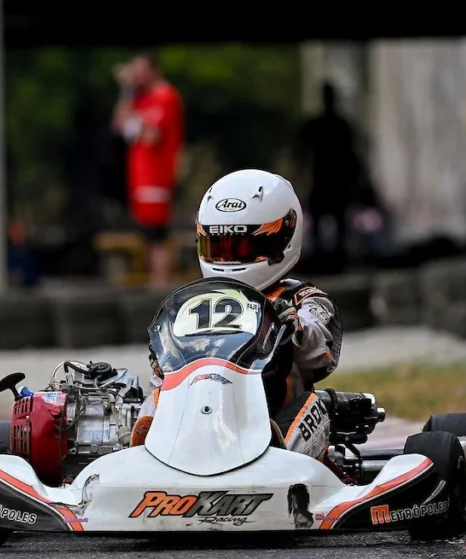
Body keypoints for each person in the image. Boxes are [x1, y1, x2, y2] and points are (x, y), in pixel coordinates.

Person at [131, 169, 342, 461]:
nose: (228, 258)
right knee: (156, 393)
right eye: (219, 247)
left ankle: (277, 460)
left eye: (241, 247)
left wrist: (296, 328)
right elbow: (166, 376)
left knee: (315, 403)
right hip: (194, 421)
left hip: (270, 424)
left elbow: (321, 358)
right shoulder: (192, 303)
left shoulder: (301, 299)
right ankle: (144, 453)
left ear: (282, 237)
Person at [111, 53, 184, 290]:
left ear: (154, 70)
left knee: (157, 234)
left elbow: (152, 135)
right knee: (147, 234)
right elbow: (119, 125)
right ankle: (156, 283)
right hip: (141, 176)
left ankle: (161, 285)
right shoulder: (140, 98)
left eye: (140, 70)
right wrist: (126, 91)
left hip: (157, 176)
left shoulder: (165, 96)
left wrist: (137, 118)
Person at [296, 81, 361, 273]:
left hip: (330, 180)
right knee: (327, 222)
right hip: (326, 180)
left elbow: (300, 152)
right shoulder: (338, 125)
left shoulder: (329, 125)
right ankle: (330, 260)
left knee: (333, 222)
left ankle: (333, 260)